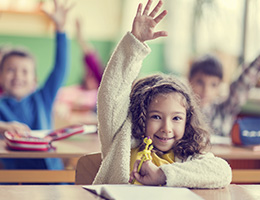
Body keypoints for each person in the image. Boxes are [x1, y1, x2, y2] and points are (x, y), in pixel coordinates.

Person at [93, 0, 231, 188]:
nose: (166, 128)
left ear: (187, 120)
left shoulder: (187, 154)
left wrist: (162, 175)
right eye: (156, 116)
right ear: (141, 115)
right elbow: (111, 93)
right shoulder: (121, 139)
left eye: (176, 118)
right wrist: (134, 43)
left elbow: (222, 171)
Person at [0, 0, 72, 170]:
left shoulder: (43, 98)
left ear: (35, 80)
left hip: (49, 172)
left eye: (25, 71)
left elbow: (60, 69)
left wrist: (61, 30)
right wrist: (2, 127)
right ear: (1, 77)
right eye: (11, 69)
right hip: (11, 178)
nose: (18, 75)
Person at [189, 54, 260, 137]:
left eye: (213, 84)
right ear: (189, 80)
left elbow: (242, 85)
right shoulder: (184, 112)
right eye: (200, 82)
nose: (206, 90)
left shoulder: (224, 109)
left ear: (219, 86)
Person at [54, 18, 103, 125]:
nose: (89, 79)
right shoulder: (76, 90)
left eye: (92, 76)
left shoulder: (101, 88)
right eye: (87, 76)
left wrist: (80, 36)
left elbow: (92, 59)